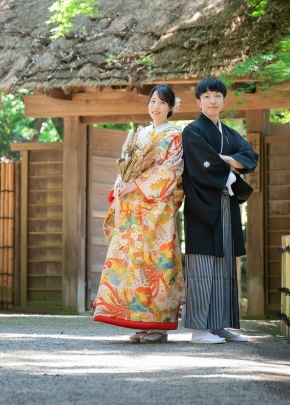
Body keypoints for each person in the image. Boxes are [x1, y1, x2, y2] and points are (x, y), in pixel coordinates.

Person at [92, 84, 185, 344]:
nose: (155, 107)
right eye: (152, 101)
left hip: (156, 210)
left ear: (171, 107)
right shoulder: (141, 133)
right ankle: (141, 321)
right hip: (134, 207)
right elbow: (125, 166)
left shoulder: (174, 135)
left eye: (162, 103)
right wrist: (120, 185)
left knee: (156, 261)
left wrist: (136, 184)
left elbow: (171, 171)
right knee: (135, 266)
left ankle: (160, 325)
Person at [181, 77, 258, 344]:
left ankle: (219, 325)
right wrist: (228, 163)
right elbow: (201, 164)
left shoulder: (229, 132)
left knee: (225, 262)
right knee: (202, 263)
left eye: (217, 96)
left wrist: (224, 160)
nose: (213, 101)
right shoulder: (192, 131)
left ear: (224, 100)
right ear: (198, 101)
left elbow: (249, 156)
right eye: (207, 96)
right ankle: (198, 328)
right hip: (202, 204)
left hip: (226, 201)